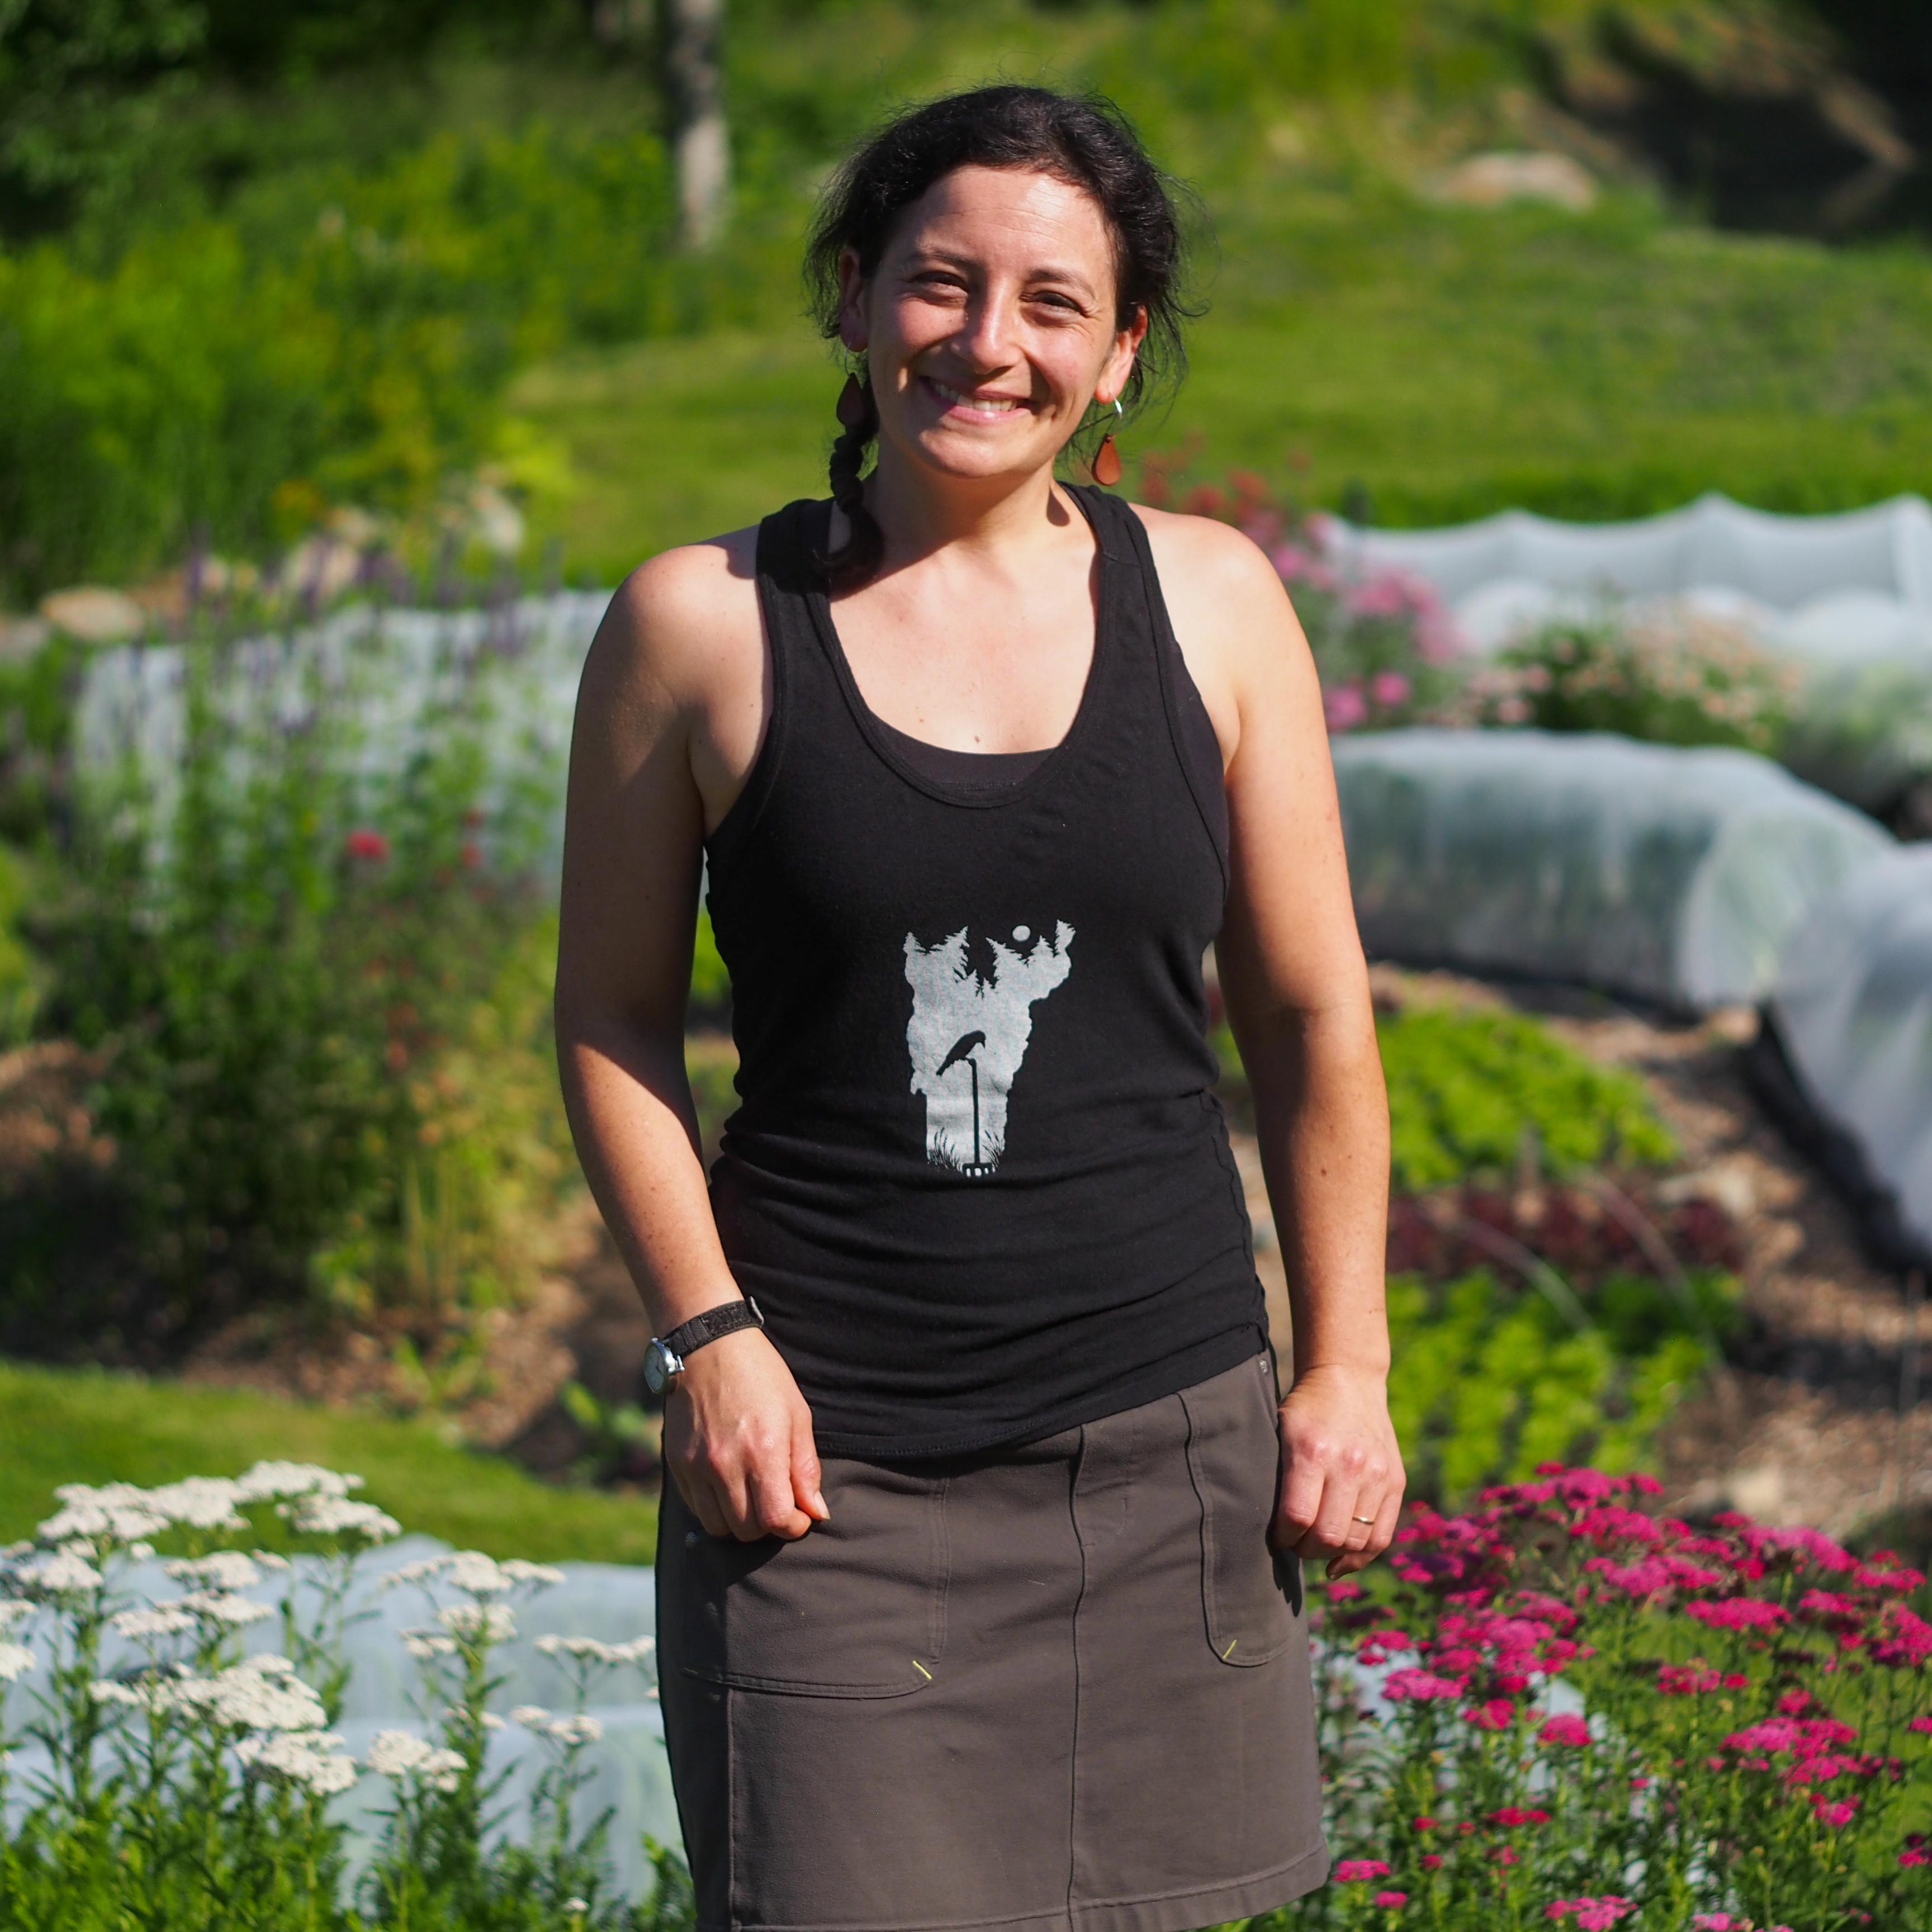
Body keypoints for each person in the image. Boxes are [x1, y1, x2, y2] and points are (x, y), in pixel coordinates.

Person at [555, 82, 1402, 1932]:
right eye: (941, 283)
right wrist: (706, 1340)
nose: (988, 343)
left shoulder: (1221, 607)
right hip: (824, 1486)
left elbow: (1317, 1020)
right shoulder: (700, 626)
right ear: (859, 299)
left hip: (1173, 1457)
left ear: (1120, 358)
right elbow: (611, 1021)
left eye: (1051, 304)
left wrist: (1346, 1368)